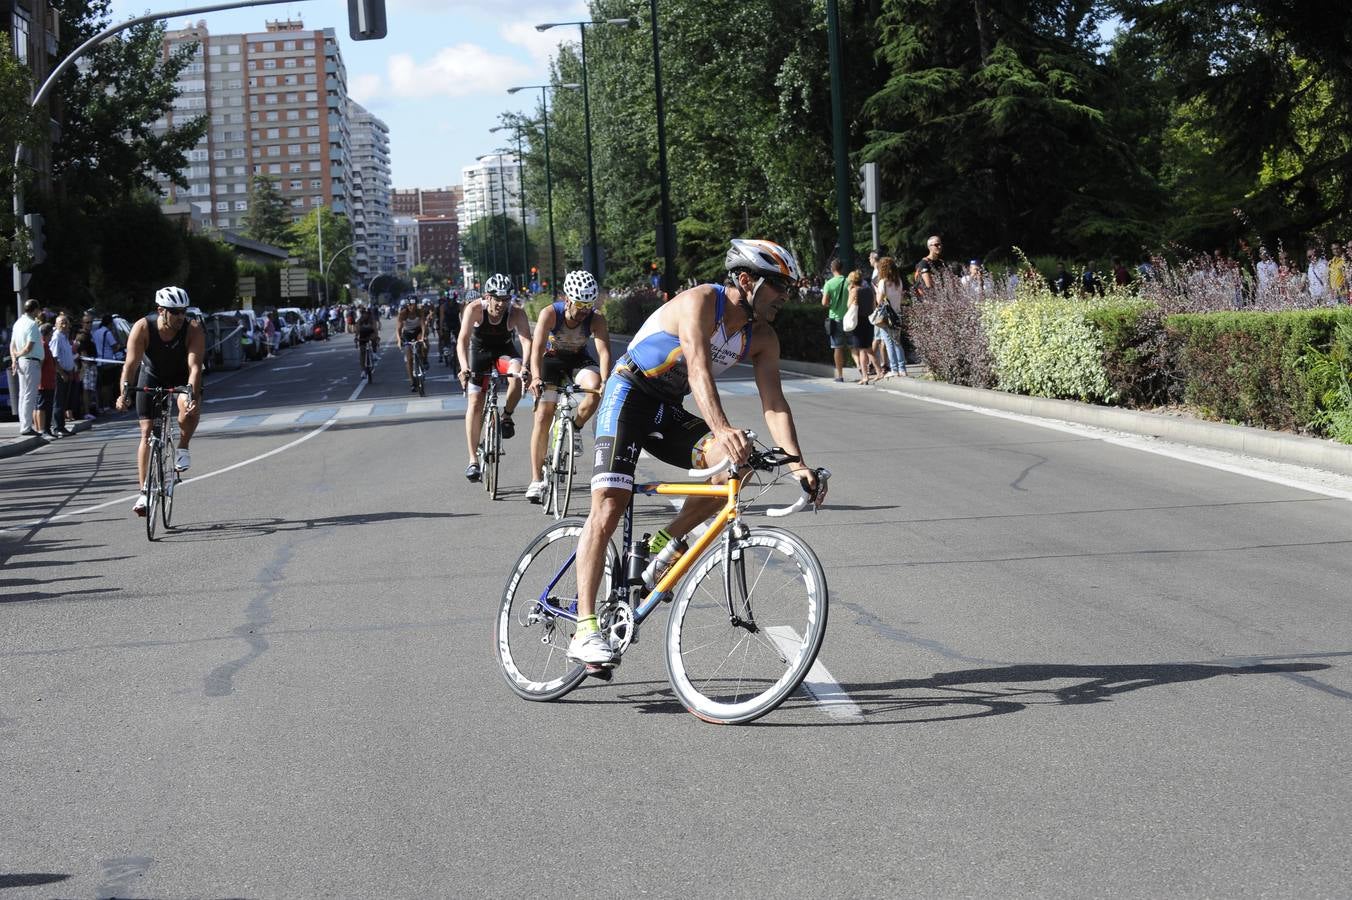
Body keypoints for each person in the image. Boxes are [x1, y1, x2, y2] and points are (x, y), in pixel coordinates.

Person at [567, 238, 827, 666]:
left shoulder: (762, 337)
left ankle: (666, 542)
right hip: (628, 394)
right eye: (780, 285)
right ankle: (585, 627)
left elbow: (775, 403)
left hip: (666, 409)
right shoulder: (702, 301)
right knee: (611, 503)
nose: (787, 296)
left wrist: (797, 462)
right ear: (746, 280)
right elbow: (698, 367)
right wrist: (722, 428)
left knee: (735, 465)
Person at [114, 286, 205, 517]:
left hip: (182, 376)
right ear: (161, 311)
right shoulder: (143, 327)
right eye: (175, 312)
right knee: (147, 433)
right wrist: (123, 394)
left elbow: (194, 368)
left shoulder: (192, 329)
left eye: (183, 311)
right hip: (152, 375)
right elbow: (131, 365)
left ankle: (183, 446)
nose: (180, 317)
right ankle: (144, 491)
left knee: (188, 408)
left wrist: (191, 395)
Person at [524, 269, 612, 503]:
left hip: (577, 360)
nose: (585, 311)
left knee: (593, 390)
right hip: (551, 361)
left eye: (589, 305)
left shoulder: (596, 318)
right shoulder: (550, 314)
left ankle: (575, 428)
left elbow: (603, 353)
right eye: (581, 305)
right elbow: (537, 349)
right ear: (567, 299)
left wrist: (604, 381)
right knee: (543, 415)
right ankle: (536, 479)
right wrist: (535, 377)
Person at [457, 273, 533, 482]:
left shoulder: (515, 313)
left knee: (516, 375)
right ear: (487, 297)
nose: (501, 304)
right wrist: (464, 368)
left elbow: (527, 342)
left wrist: (526, 367)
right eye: (497, 298)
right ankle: (473, 460)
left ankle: (506, 415)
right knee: (475, 402)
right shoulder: (474, 309)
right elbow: (462, 341)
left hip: (503, 353)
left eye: (505, 299)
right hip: (479, 353)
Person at [8, 299, 45, 436]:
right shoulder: (32, 324)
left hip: (22, 362)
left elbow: (12, 345)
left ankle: (24, 425)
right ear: (35, 310)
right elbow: (29, 347)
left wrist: (14, 359)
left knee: (23, 395)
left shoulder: (17, 323)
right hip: (31, 362)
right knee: (29, 395)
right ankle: (27, 427)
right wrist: (18, 354)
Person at [872, 256, 907, 377]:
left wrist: (877, 291)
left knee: (888, 342)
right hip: (897, 314)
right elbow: (901, 298)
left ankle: (894, 369)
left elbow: (879, 300)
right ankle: (902, 369)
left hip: (886, 316)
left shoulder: (882, 282)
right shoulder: (898, 281)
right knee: (897, 342)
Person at [845, 269, 879, 383]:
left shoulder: (854, 291)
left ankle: (865, 376)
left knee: (862, 350)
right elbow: (874, 306)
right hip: (868, 321)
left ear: (852, 281)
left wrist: (850, 292)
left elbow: (848, 305)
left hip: (858, 322)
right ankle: (879, 371)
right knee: (869, 348)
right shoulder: (869, 290)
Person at [49, 313, 78, 435]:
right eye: (62, 323)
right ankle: (57, 428)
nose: (65, 325)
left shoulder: (64, 337)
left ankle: (62, 426)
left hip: (67, 372)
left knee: (63, 401)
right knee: (58, 401)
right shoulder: (56, 337)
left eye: (66, 322)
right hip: (60, 373)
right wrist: (61, 373)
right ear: (56, 325)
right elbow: (53, 358)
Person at [820, 258, 848, 382]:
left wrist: (832, 303)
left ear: (832, 269)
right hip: (850, 318)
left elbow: (824, 303)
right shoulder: (849, 281)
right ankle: (862, 371)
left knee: (837, 347)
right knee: (854, 346)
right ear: (842, 269)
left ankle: (840, 375)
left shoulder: (829, 283)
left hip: (835, 319)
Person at [395, 300, 427, 391]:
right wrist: (398, 340)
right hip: (407, 334)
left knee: (423, 344)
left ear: (416, 305)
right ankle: (412, 381)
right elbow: (398, 329)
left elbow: (423, 325)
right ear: (407, 305)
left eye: (413, 305)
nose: (411, 307)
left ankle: (422, 361)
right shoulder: (403, 314)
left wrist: (423, 337)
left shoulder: (419, 311)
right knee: (409, 359)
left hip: (418, 332)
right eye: (409, 305)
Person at [353, 304, 380, 373]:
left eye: (367, 314)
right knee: (362, 353)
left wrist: (376, 337)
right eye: (363, 314)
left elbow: (375, 330)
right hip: (363, 335)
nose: (365, 315)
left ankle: (374, 353)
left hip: (371, 334)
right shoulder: (359, 321)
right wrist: (356, 338)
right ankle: (363, 370)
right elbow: (357, 331)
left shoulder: (372, 320)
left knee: (374, 338)